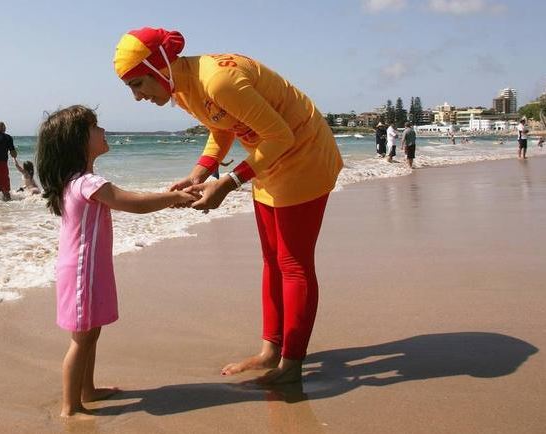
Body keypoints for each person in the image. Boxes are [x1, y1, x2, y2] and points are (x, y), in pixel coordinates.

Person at [113, 27, 343, 384]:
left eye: (138, 85)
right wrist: (199, 173)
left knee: (293, 263)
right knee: (272, 260)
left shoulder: (218, 80)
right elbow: (221, 127)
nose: (137, 97)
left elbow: (282, 135)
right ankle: (271, 351)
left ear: (159, 68)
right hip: (270, 161)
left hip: (304, 156)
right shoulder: (185, 86)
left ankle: (291, 365)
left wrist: (231, 181)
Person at [36, 105, 198, 418]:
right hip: (83, 272)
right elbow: (133, 203)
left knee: (90, 333)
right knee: (82, 338)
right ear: (78, 141)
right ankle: (70, 407)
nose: (103, 131)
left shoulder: (77, 181)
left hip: (86, 270)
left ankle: (88, 390)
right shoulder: (87, 183)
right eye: (95, 128)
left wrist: (169, 198)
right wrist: (175, 197)